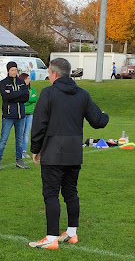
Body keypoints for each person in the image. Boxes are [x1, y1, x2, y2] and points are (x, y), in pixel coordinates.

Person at [28, 57, 109, 249]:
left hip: (53, 152)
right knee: (71, 192)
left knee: (51, 194)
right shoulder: (82, 94)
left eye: (49, 73)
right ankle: (71, 233)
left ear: (55, 74)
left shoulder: (48, 93)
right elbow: (98, 121)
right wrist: (104, 115)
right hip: (73, 152)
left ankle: (51, 238)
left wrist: (35, 149)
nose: (49, 77)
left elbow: (39, 124)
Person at [0, 61, 30, 170]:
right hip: (8, 116)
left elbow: (26, 97)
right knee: (3, 140)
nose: (14, 72)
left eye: (15, 69)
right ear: (8, 70)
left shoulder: (21, 82)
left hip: (20, 116)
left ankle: (19, 161)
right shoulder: (3, 83)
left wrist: (13, 94)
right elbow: (6, 97)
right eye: (12, 70)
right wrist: (18, 95)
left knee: (19, 140)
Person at [19, 72, 37, 160]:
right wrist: (28, 99)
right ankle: (19, 151)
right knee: (21, 133)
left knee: (26, 133)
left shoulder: (31, 89)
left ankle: (24, 151)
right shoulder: (20, 89)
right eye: (27, 78)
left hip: (30, 114)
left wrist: (27, 99)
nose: (29, 80)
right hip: (22, 113)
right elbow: (21, 100)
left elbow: (34, 98)